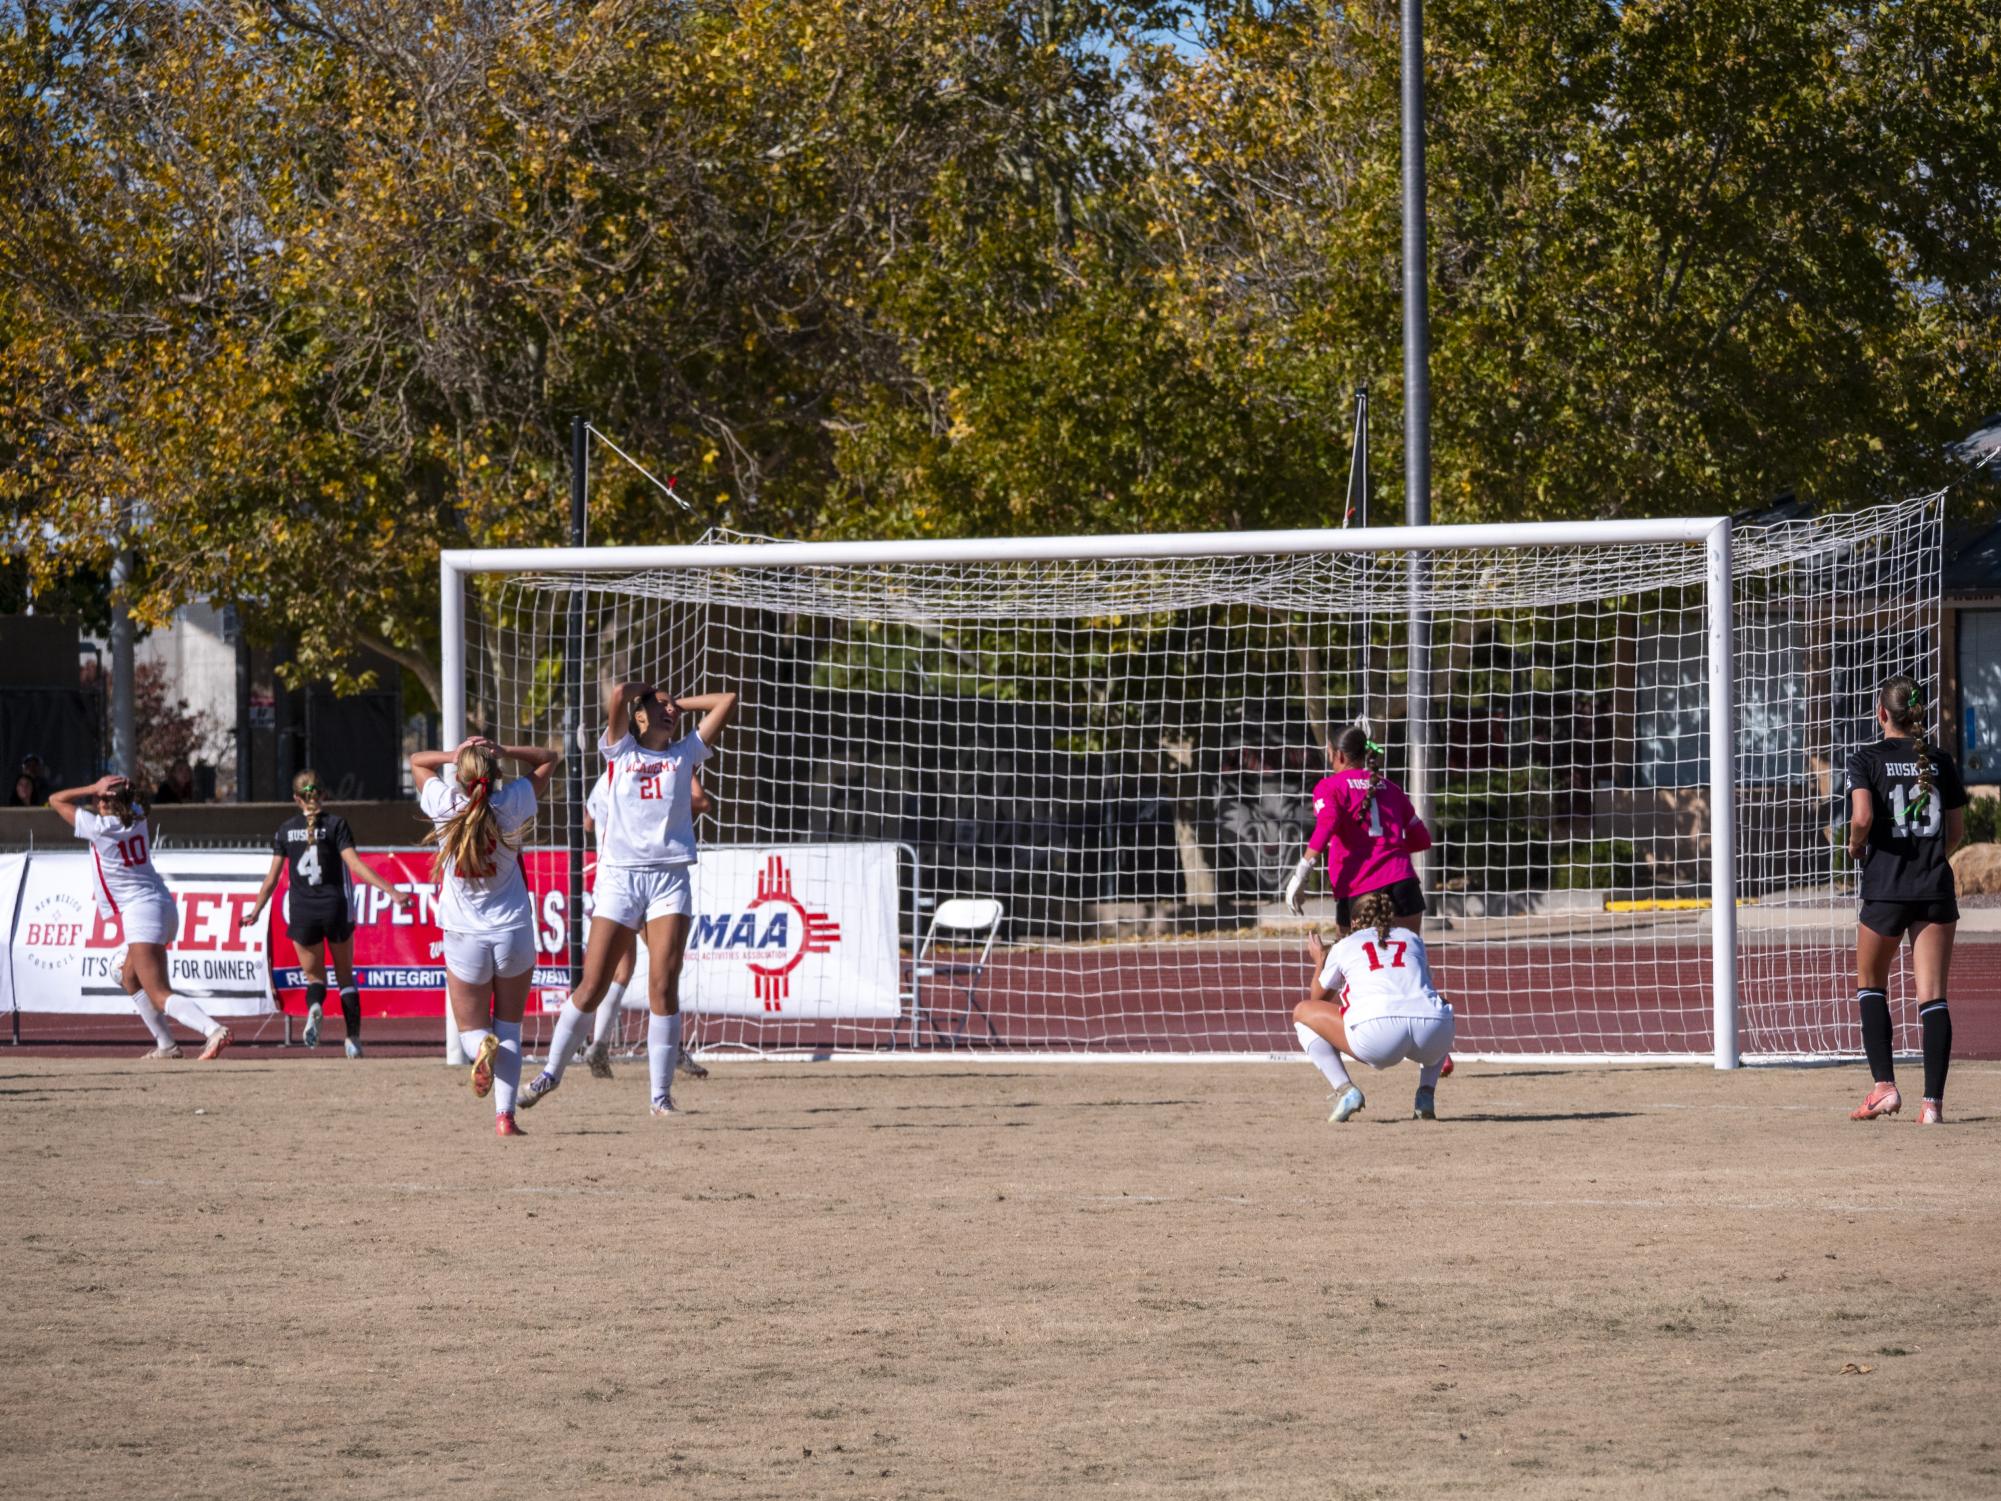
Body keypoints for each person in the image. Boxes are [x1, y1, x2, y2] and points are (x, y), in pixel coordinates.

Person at [521, 682, 736, 1118]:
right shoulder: (619, 752)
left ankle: (660, 1096)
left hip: (669, 879)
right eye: (657, 708)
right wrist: (643, 694)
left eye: (670, 709)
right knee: (594, 983)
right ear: (638, 718)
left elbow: (726, 701)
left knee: (663, 984)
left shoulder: (684, 754)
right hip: (620, 879)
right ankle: (550, 1072)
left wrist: (675, 701)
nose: (668, 712)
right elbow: (619, 694)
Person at [411, 736, 559, 1136]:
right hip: (513, 929)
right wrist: (504, 751)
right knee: (509, 1028)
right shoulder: (510, 803)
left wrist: (454, 754)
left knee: (471, 1032)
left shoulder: (447, 805)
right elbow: (549, 759)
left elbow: (417, 762)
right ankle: (505, 1118)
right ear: (495, 776)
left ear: (459, 777)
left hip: (464, 934)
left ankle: (481, 1050)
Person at [1845, 675, 1966, 1125]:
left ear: (1882, 714)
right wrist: (1929, 859)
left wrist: (1856, 846)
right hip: (1934, 888)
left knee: (1871, 985)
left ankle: (1884, 1088)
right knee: (1933, 997)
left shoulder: (1865, 759)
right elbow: (1954, 832)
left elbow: (1862, 817)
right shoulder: (1941, 761)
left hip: (1886, 889)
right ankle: (1932, 1105)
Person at [47, 773, 231, 1060]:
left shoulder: (100, 827)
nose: (94, 797)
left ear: (104, 800)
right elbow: (130, 802)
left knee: (158, 993)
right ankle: (166, 1045)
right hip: (161, 905)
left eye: (99, 795)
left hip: (142, 911)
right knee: (126, 975)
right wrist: (119, 790)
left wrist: (91, 787)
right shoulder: (137, 816)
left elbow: (55, 800)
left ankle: (213, 1030)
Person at [245, 769, 414, 1058]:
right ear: (323, 794)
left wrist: (256, 910)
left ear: (296, 799)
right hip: (334, 907)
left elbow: (271, 878)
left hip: (302, 911)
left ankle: (314, 1007)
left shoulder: (285, 829)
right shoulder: (336, 825)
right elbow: (356, 865)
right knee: (345, 977)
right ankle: (352, 1040)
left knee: (315, 978)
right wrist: (393, 891)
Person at [580, 771, 714, 1081]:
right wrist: (687, 770)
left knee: (620, 971)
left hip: (609, 882)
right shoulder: (651, 779)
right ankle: (670, 1048)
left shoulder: (603, 780)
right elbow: (702, 802)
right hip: (643, 879)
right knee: (664, 971)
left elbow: (587, 822)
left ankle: (599, 1045)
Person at [1293, 889, 1455, 1121]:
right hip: (1433, 1034)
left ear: (1355, 921)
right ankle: (1426, 1094)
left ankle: (1346, 1091)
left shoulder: (1346, 944)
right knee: (1442, 1006)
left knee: (1302, 1012)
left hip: (1378, 1036)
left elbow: (1316, 999)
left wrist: (1320, 960)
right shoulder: (1412, 939)